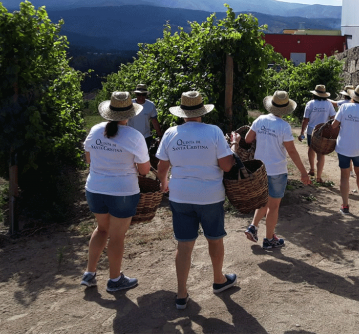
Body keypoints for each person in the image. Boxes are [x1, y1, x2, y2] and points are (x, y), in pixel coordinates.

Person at [156, 91, 237, 310]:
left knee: (184, 245)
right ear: (202, 111)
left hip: (180, 195)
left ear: (183, 113)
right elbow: (227, 166)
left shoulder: (171, 133)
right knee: (215, 239)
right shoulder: (213, 132)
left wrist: (164, 184)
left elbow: (162, 168)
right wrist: (233, 149)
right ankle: (219, 280)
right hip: (210, 196)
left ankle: (181, 294)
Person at [81, 91, 150, 292]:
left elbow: (88, 159)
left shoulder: (95, 130)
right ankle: (114, 280)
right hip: (123, 192)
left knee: (102, 229)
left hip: (94, 189)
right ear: (129, 114)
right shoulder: (134, 136)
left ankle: (89, 273)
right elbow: (144, 170)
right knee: (117, 236)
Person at [242, 91, 311, 249]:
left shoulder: (259, 120)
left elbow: (247, 139)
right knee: (273, 206)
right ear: (286, 109)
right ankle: (268, 240)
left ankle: (253, 227)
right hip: (277, 171)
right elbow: (292, 151)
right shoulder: (284, 127)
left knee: (263, 201)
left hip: (259, 170)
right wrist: (303, 172)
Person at [332, 85, 359, 215]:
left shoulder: (344, 107)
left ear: (353, 97)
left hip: (343, 147)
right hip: (358, 148)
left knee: (344, 176)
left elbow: (334, 126)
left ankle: (345, 206)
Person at [299, 84, 336, 183]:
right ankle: (318, 177)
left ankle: (311, 169)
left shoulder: (310, 103)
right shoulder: (328, 104)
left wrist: (302, 132)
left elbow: (305, 119)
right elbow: (333, 118)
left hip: (311, 131)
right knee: (321, 154)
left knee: (311, 148)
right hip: (323, 132)